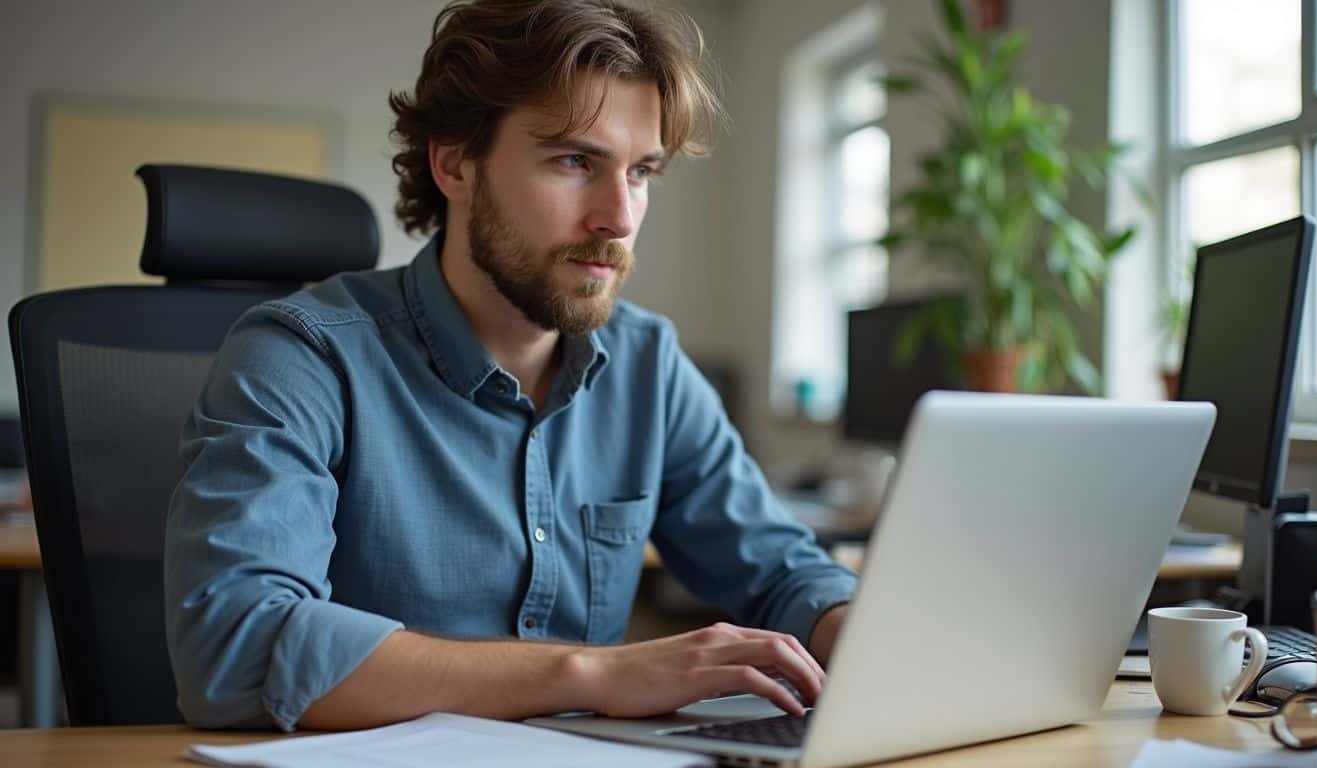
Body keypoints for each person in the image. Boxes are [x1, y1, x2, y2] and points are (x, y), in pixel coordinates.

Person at [164, 0, 857, 732]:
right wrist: (590, 673)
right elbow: (234, 647)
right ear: (455, 163)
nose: (619, 217)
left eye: (641, 172)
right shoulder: (302, 355)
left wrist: (862, 637)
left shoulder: (648, 366)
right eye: (574, 161)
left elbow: (782, 571)